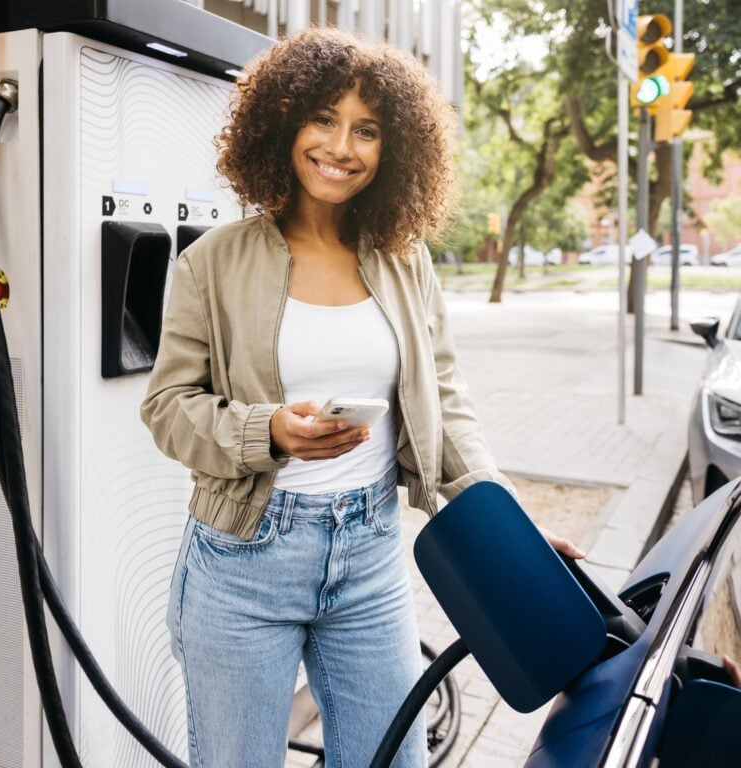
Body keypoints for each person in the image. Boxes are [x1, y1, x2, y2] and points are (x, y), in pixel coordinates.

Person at [141, 27, 584, 768]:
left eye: (367, 130)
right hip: (243, 563)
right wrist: (269, 431)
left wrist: (508, 524)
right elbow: (168, 407)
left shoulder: (406, 262)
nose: (342, 147)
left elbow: (445, 399)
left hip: (370, 559)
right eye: (323, 119)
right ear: (282, 124)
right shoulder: (211, 262)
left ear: (393, 148)